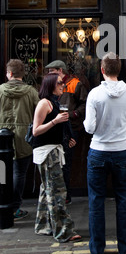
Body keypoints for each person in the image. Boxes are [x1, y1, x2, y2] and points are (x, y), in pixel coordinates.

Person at [84, 52, 126, 254]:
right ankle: (125, 248)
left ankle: (97, 251)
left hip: (98, 151)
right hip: (122, 150)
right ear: (119, 69)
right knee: (124, 199)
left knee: (96, 201)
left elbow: (89, 128)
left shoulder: (94, 94)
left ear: (102, 70)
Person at [32, 72, 81, 242]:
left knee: (47, 190)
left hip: (54, 150)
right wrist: (55, 121)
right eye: (60, 83)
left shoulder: (55, 103)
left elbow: (56, 129)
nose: (64, 85)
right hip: (47, 152)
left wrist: (68, 139)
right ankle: (63, 231)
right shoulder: (44, 104)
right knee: (57, 192)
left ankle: (43, 225)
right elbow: (36, 131)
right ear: (51, 85)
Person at [0, 59, 40, 220]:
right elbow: (39, 113)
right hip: (24, 137)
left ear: (10, 73)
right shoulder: (31, 92)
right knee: (20, 173)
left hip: (2, 138)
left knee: (2, 172)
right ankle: (15, 207)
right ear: (22, 74)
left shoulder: (1, 90)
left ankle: (3, 204)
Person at [45, 60, 88, 204]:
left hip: (71, 128)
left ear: (60, 70)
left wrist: (74, 114)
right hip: (54, 128)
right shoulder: (51, 85)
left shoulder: (75, 84)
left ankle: (65, 196)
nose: (49, 74)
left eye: (52, 71)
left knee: (66, 162)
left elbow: (85, 103)